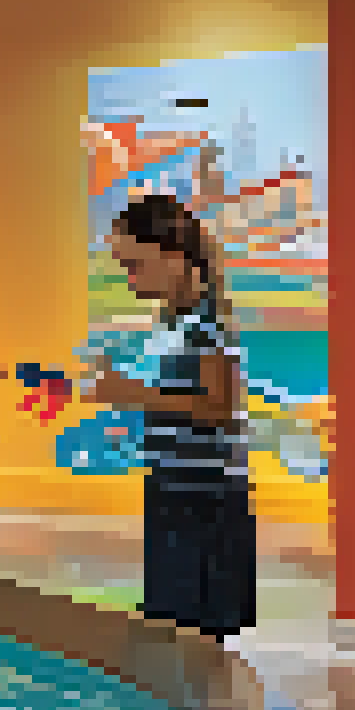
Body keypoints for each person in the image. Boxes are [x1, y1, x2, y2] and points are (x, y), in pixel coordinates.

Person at [85, 193, 255, 638]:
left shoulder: (206, 321)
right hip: (174, 482)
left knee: (193, 620)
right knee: (173, 618)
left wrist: (134, 393)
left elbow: (220, 408)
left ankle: (208, 705)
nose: (128, 277)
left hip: (202, 494)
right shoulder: (176, 321)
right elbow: (177, 395)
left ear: (175, 258)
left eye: (135, 264)